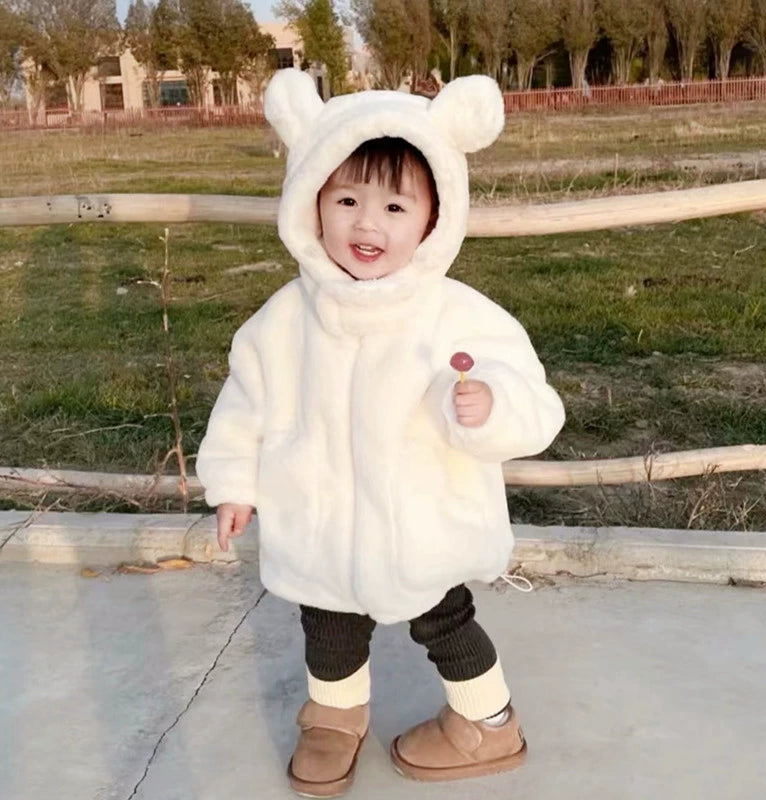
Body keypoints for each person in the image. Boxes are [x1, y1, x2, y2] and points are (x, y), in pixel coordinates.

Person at [196, 68, 565, 797]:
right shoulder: (285, 318)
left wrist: (491, 405)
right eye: (346, 201)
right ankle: (335, 719)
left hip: (422, 523)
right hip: (320, 519)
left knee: (446, 620)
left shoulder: (458, 313)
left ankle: (489, 721)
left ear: (434, 217)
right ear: (310, 201)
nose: (368, 226)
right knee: (328, 626)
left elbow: (533, 397)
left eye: (395, 206)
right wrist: (234, 482)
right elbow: (245, 402)